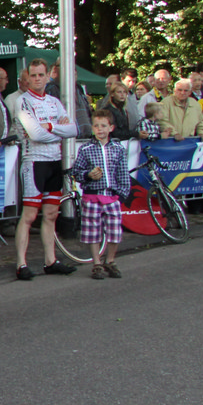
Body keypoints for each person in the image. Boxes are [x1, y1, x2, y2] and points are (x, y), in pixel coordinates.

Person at [14, 59, 77, 279]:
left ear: (48, 76)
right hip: (34, 162)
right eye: (33, 75)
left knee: (51, 214)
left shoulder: (54, 102)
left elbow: (73, 130)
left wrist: (49, 126)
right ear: (27, 78)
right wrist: (58, 131)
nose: (38, 79)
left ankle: (50, 261)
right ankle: (21, 264)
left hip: (54, 162)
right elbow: (35, 134)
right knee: (30, 215)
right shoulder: (23, 101)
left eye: (41, 75)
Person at [70, 108, 130, 279]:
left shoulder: (118, 148)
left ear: (111, 128)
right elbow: (76, 171)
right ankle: (96, 263)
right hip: (92, 196)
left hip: (111, 196)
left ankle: (110, 260)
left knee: (114, 231)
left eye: (103, 126)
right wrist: (88, 175)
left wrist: (122, 194)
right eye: (96, 126)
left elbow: (122, 172)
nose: (100, 129)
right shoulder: (86, 149)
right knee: (92, 231)